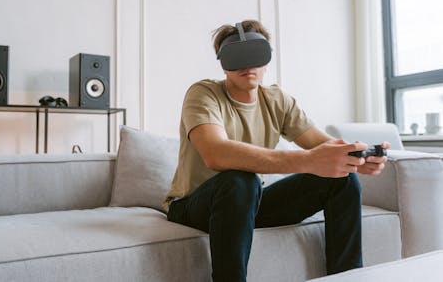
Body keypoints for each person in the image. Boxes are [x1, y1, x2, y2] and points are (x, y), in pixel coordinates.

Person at [164, 20, 389, 282]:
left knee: (341, 179)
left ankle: (346, 277)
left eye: (256, 54)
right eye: (237, 55)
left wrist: (357, 157)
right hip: (194, 205)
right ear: (223, 61)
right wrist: (308, 161)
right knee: (240, 179)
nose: (248, 64)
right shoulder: (204, 93)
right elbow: (216, 153)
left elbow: (321, 144)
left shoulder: (276, 100)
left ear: (266, 59)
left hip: (249, 203)